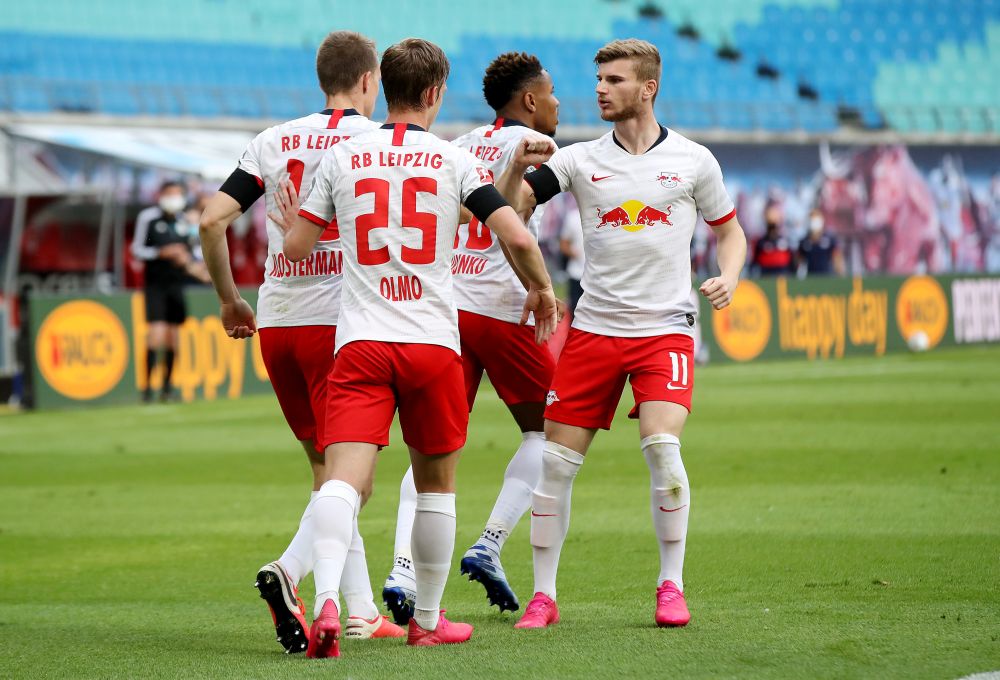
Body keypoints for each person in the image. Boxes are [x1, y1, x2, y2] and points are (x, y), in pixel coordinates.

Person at [276, 38, 558, 658]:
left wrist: (305, 220)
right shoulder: (451, 160)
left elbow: (296, 248)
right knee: (435, 486)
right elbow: (512, 229)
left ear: (386, 86)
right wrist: (540, 288)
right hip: (431, 341)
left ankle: (326, 603)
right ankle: (427, 620)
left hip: (361, 342)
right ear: (433, 94)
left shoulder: (344, 157)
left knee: (341, 482)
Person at [495, 38, 747, 629]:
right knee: (555, 463)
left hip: (664, 330)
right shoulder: (579, 160)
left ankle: (670, 585)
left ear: (648, 87)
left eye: (613, 79)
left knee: (662, 448)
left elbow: (730, 232)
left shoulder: (694, 161)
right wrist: (513, 167)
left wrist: (729, 276)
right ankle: (545, 596)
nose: (600, 88)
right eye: (599, 79)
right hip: (595, 330)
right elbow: (510, 217)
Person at [197, 31, 404, 652]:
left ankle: (362, 612)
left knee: (327, 476)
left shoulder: (273, 139)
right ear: (371, 81)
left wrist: (232, 300)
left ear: (323, 80)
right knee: (353, 480)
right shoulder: (377, 142)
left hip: (280, 319)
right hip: (341, 323)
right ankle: (288, 571)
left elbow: (211, 220)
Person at [380, 51, 560, 621]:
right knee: (549, 434)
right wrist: (544, 287)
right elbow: (513, 222)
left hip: (448, 308)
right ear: (529, 99)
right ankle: (491, 541)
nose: (558, 103)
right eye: (551, 93)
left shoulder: (456, 145)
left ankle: (402, 567)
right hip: (505, 307)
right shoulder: (534, 149)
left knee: (431, 448)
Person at [131, 180, 208, 402]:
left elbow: (194, 251)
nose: (173, 198)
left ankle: (167, 388)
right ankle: (146, 389)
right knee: (156, 336)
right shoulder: (149, 218)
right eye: (169, 194)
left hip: (177, 285)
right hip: (156, 285)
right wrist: (161, 253)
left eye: (177, 194)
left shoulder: (184, 221)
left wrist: (191, 262)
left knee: (174, 338)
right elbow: (137, 249)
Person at [797, 209, 845, 276]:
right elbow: (799, 261)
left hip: (827, 277)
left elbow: (837, 258)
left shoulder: (829, 239)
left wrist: (840, 272)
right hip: (810, 277)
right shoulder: (804, 241)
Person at [751, 206, 794, 276]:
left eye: (774, 227)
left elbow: (791, 261)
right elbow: (755, 261)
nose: (773, 230)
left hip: (782, 274)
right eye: (771, 227)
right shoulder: (761, 242)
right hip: (765, 275)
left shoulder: (784, 241)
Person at [559, 200, 585, 314]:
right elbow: (563, 244)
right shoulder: (573, 217)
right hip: (576, 272)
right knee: (574, 308)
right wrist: (574, 254)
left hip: (597, 274)